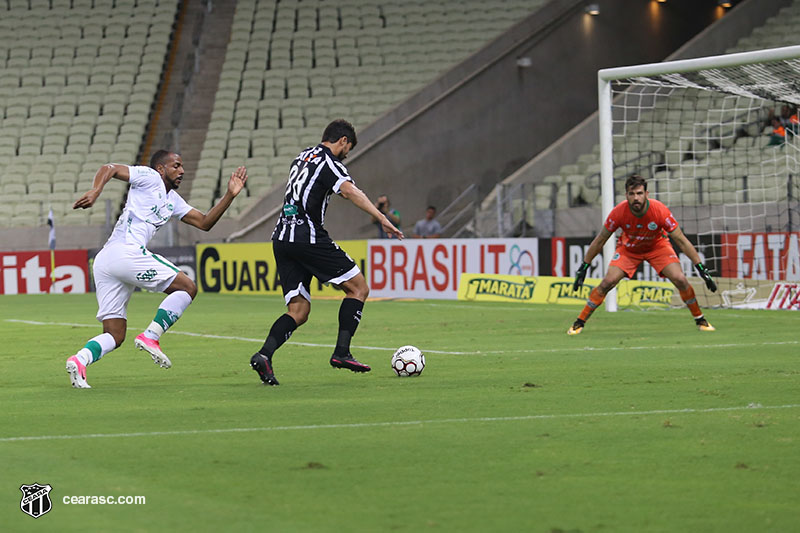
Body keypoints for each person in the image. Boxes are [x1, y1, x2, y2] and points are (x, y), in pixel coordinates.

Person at [65, 151, 248, 388]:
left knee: (115, 334)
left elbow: (204, 223)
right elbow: (109, 167)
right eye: (176, 165)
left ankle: (80, 360)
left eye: (183, 166)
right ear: (161, 169)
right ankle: (151, 336)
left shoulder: (174, 200)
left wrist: (229, 196)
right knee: (187, 287)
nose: (182, 170)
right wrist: (96, 190)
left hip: (108, 260)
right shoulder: (149, 176)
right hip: (125, 253)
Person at [250, 119, 403, 386]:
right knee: (359, 288)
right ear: (343, 140)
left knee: (299, 310)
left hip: (281, 237)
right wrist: (381, 217)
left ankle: (264, 354)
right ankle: (342, 352)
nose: (347, 155)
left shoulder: (300, 158)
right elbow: (350, 191)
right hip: (306, 235)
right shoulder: (330, 163)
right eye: (349, 149)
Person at [567, 174, 717, 336]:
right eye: (632, 194)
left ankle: (700, 320)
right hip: (629, 249)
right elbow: (600, 240)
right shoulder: (618, 212)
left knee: (680, 279)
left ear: (647, 194)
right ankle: (579, 322)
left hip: (657, 246)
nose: (635, 198)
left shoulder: (659, 211)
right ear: (626, 196)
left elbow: (681, 240)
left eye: (639, 193)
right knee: (607, 282)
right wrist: (585, 266)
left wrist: (700, 267)